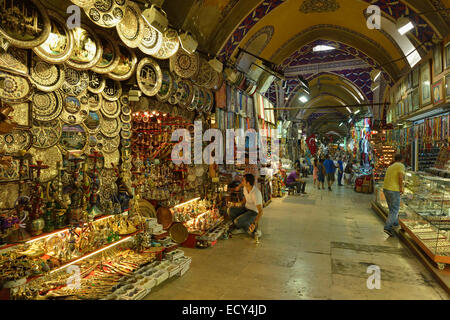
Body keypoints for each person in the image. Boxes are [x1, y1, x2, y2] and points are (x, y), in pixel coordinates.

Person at [229, 174, 263, 239]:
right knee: (230, 210)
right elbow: (245, 197)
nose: (242, 182)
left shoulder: (256, 193)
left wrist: (255, 223)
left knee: (237, 221)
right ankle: (240, 227)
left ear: (247, 183)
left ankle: (254, 230)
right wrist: (240, 203)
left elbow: (261, 211)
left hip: (253, 213)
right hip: (246, 208)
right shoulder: (245, 187)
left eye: (243, 180)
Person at [383, 154, 405, 237]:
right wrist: (401, 188)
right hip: (393, 189)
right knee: (394, 210)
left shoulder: (391, 166)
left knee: (392, 209)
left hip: (386, 188)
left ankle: (395, 224)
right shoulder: (400, 165)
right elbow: (400, 177)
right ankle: (387, 227)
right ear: (402, 159)